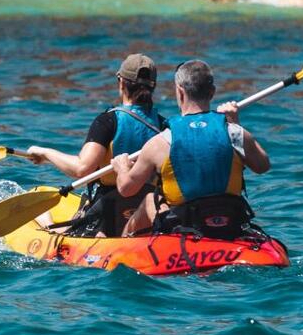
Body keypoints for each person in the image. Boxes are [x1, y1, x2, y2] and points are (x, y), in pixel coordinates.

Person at [113, 59, 271, 236]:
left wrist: (122, 167)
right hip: (231, 222)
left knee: (151, 199)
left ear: (180, 92)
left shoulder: (160, 143)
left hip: (183, 227)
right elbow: (263, 166)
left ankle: (124, 244)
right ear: (212, 92)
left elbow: (127, 189)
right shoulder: (235, 132)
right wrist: (235, 123)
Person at [24, 53, 167, 236]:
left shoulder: (108, 121)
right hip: (146, 209)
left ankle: (48, 227)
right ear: (153, 87)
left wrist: (45, 153)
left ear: (121, 82)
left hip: (109, 209)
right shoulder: (164, 127)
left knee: (43, 216)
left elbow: (82, 169)